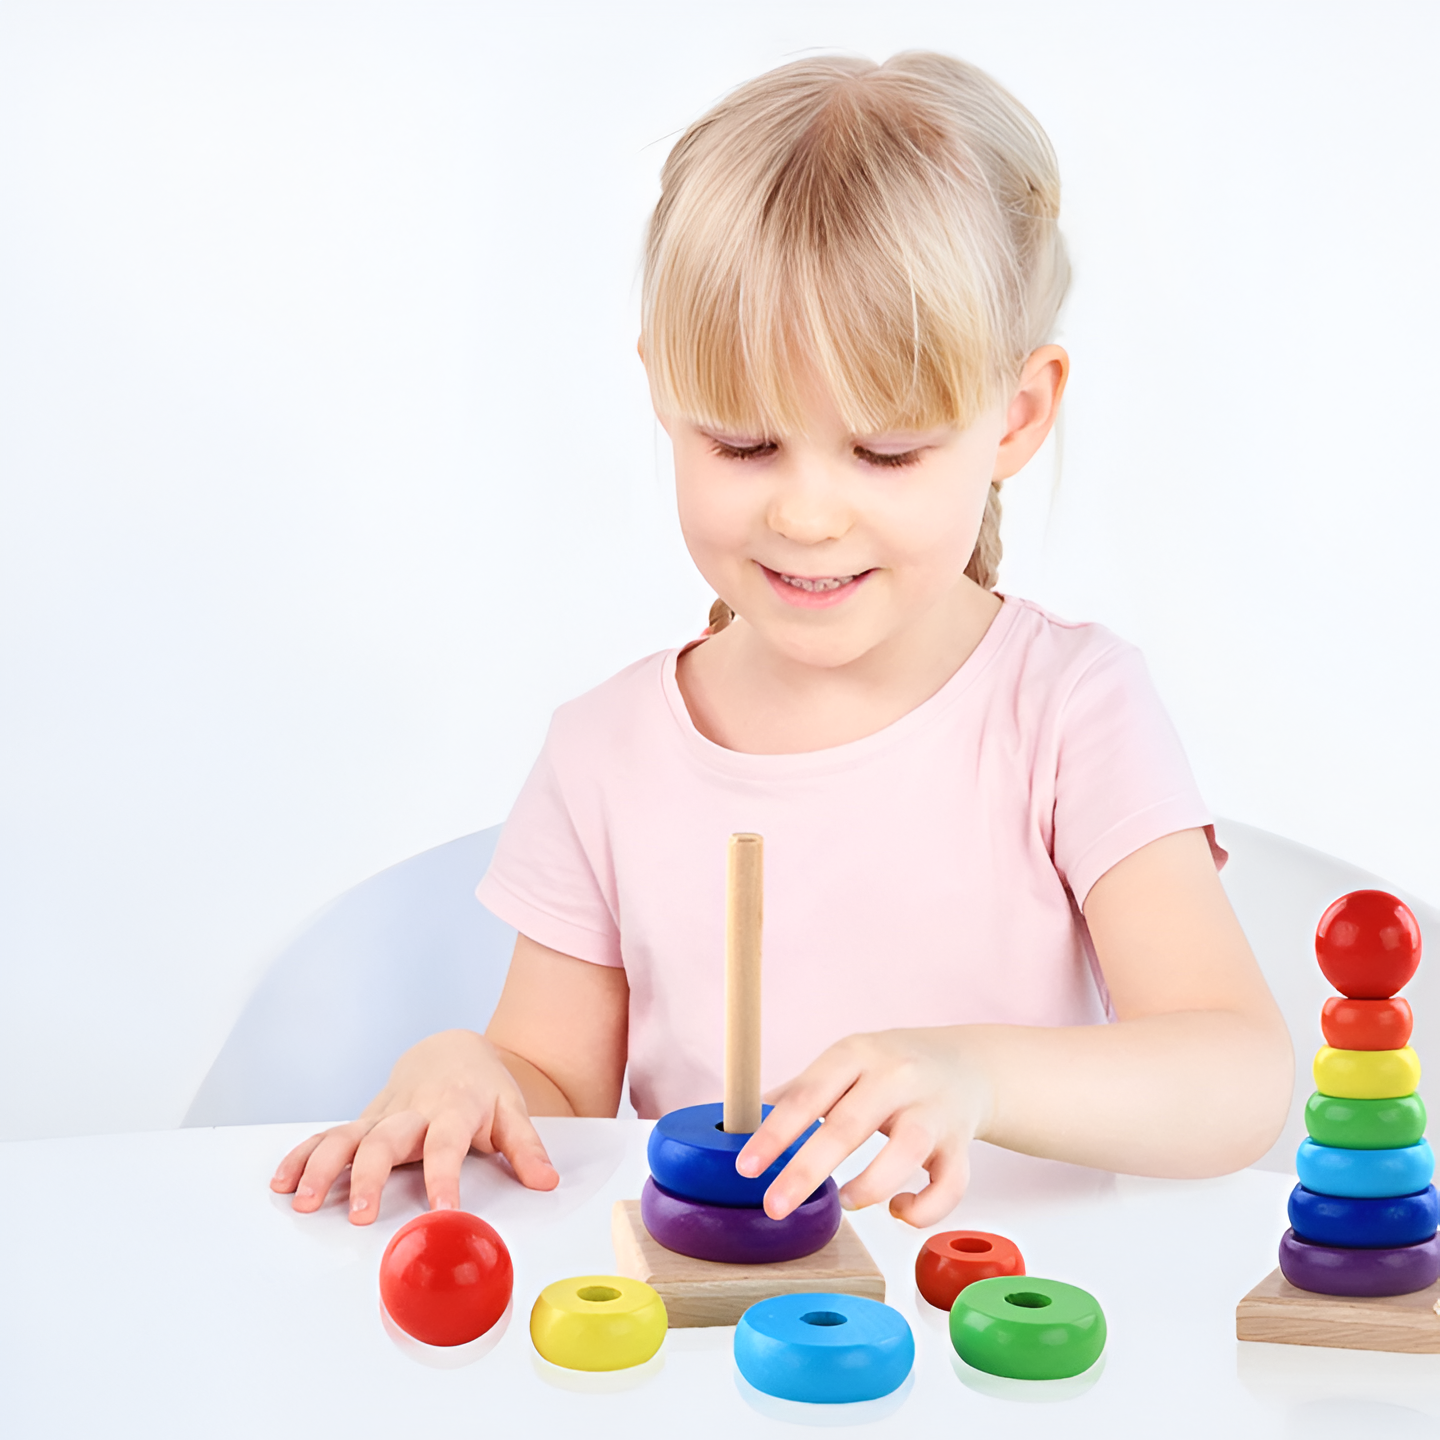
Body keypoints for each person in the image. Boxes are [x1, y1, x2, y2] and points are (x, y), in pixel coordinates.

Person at [271, 51, 1293, 1229]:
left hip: (1010, 1384)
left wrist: (975, 1075)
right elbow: (552, 1098)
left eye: (887, 452)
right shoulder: (605, 754)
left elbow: (1236, 1077)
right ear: (665, 395)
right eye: (744, 445)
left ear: (1015, 416)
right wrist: (470, 1072)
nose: (806, 513)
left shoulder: (1069, 710)